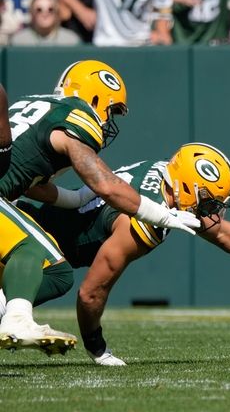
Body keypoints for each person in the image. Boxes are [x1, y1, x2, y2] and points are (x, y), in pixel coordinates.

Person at [12, 143, 230, 365]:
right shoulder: (144, 223)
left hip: (26, 223)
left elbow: (218, 231)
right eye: (209, 201)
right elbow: (92, 293)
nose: (213, 210)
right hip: (30, 245)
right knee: (56, 281)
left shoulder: (165, 176)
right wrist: (97, 348)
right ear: (186, 188)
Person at [0, 60, 200, 355]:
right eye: (112, 110)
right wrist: (159, 214)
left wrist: (74, 198)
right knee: (44, 258)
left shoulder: (34, 103)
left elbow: (26, 180)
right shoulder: (76, 114)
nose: (109, 120)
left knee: (50, 271)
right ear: (95, 97)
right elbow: (105, 185)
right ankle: (16, 319)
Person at [92, 0, 173, 46]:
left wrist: (161, 32)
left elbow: (163, 6)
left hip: (141, 43)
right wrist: (82, 11)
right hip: (108, 42)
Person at [10, 0, 81, 45]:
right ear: (32, 13)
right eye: (39, 10)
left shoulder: (70, 40)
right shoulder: (19, 41)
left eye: (50, 9)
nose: (45, 14)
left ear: (56, 13)